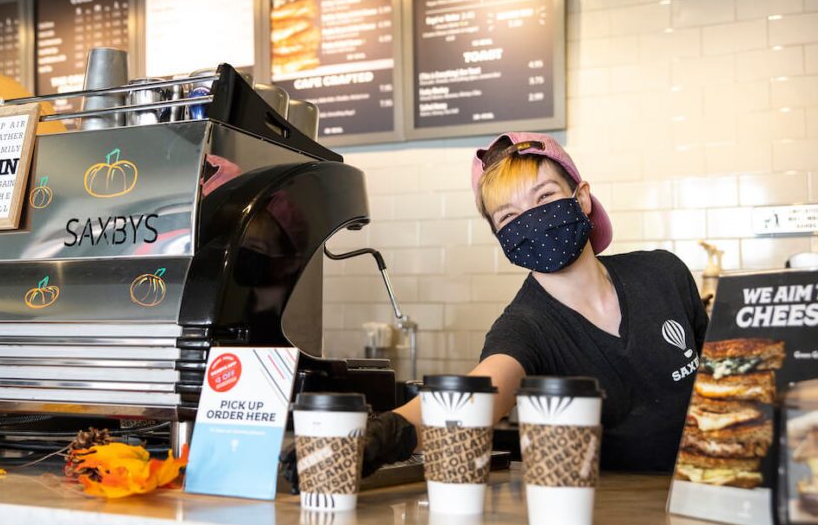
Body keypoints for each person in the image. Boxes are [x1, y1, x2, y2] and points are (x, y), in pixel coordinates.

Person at [282, 132, 708, 484]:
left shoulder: (664, 274)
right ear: (501, 238)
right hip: (611, 518)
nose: (532, 220)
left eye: (544, 196)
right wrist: (381, 434)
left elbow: (725, 381)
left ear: (581, 197)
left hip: (717, 489)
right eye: (508, 216)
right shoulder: (525, 326)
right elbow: (477, 393)